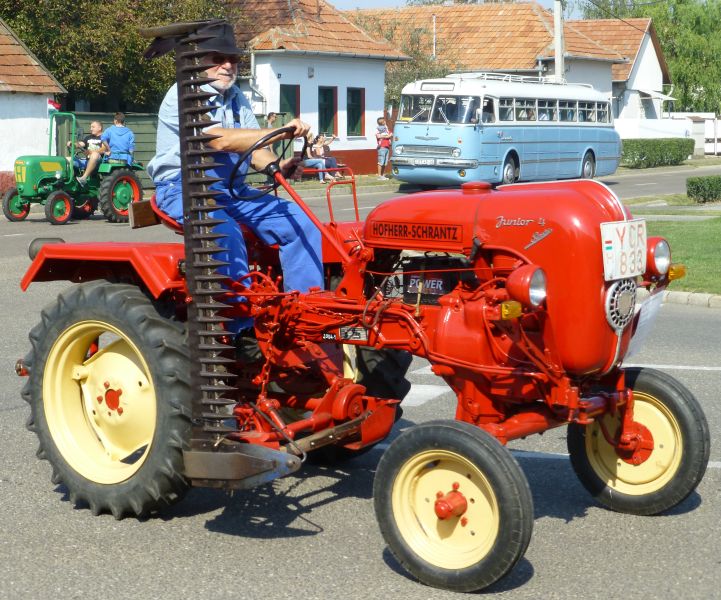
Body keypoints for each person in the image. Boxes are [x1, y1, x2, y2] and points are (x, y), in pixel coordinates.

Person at [146, 21, 321, 336]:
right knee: (225, 232)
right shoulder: (184, 94)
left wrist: (280, 165)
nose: (227, 65)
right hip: (183, 190)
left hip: (232, 190)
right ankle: (240, 330)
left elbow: (253, 150)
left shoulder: (236, 97)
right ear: (200, 59)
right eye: (218, 58)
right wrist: (281, 131)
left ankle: (307, 314)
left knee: (300, 220)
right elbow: (220, 140)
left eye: (233, 59)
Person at [73, 120, 109, 185]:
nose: (90, 129)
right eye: (90, 127)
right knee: (68, 160)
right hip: (87, 161)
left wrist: (91, 152)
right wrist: (73, 144)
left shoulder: (104, 137)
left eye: (93, 127)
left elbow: (103, 149)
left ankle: (84, 178)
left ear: (99, 128)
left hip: (99, 162)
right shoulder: (88, 137)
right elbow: (81, 144)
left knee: (95, 155)